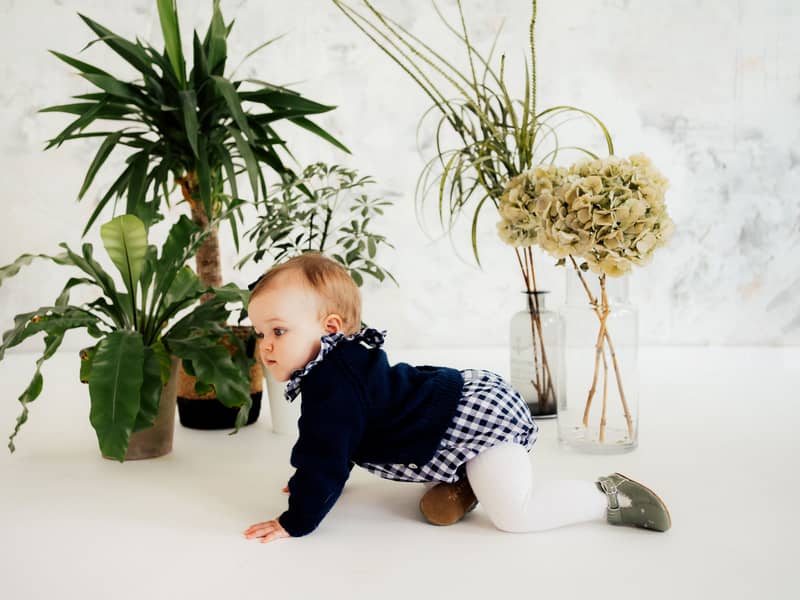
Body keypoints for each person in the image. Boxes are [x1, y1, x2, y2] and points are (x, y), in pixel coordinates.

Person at [242, 252, 671, 544]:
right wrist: (313, 480)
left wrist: (296, 518)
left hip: (480, 423)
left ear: (332, 329)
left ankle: (608, 496)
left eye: (279, 330)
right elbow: (347, 436)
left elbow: (326, 455)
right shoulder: (340, 366)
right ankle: (464, 483)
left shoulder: (334, 384)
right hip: (456, 412)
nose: (266, 345)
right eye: (261, 333)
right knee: (444, 503)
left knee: (515, 516)